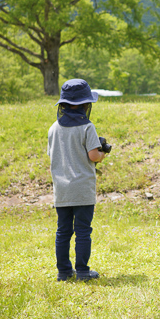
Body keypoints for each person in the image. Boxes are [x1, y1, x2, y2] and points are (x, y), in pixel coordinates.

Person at [47, 79, 108, 282]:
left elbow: (53, 154)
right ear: (85, 104)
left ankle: (64, 271)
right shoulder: (87, 127)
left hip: (62, 189)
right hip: (82, 188)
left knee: (63, 230)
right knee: (83, 230)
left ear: (63, 104)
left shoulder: (53, 128)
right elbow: (93, 156)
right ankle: (82, 271)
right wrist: (103, 153)